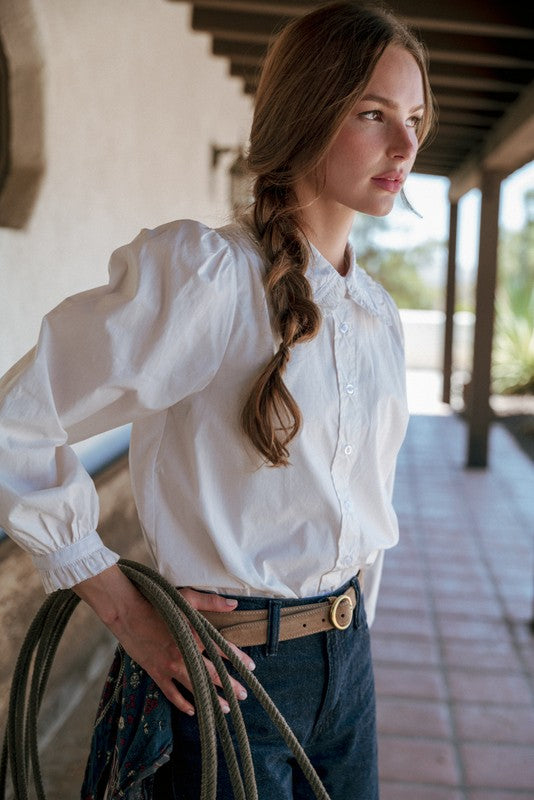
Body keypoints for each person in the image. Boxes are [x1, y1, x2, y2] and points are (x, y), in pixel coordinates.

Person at [0, 1, 436, 798]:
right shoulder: (207, 279)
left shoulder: (375, 314)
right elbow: (13, 422)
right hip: (228, 674)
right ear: (308, 112)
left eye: (414, 117)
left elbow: (360, 514)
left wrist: (352, 639)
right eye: (374, 114)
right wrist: (120, 603)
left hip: (350, 666)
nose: (406, 145)